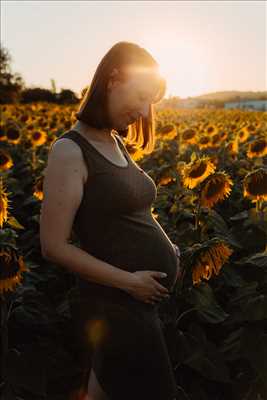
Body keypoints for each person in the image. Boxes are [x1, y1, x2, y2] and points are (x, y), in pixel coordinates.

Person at [40, 41, 182, 400]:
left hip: (135, 304)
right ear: (114, 78)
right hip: (116, 304)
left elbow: (133, 213)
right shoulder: (70, 150)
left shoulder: (115, 143)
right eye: (142, 96)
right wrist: (129, 282)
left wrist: (168, 247)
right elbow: (53, 246)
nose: (145, 110)